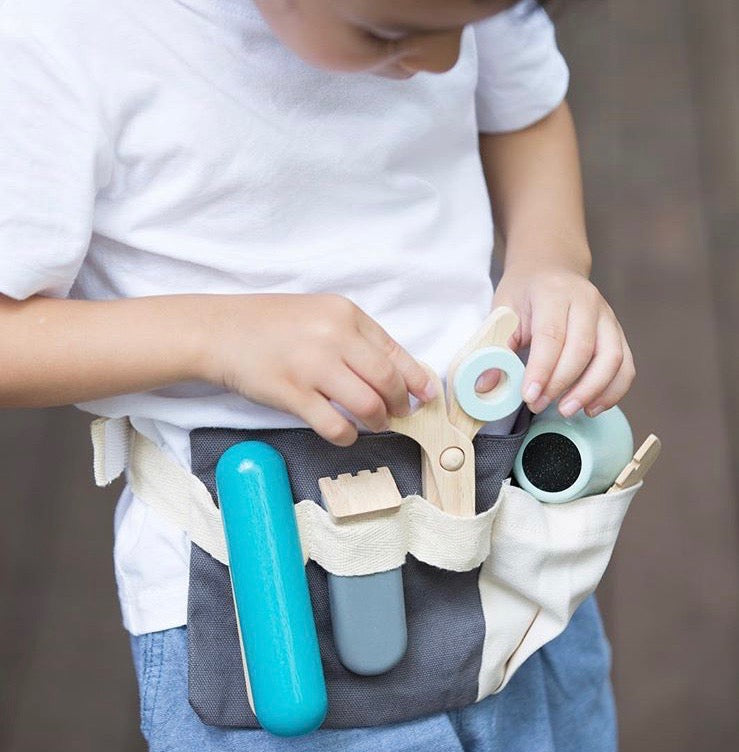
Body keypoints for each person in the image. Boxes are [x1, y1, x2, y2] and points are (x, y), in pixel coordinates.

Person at [0, 0, 636, 749]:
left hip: (509, 560)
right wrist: (217, 337)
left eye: (466, 31)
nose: (441, 63)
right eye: (390, 36)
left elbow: (525, 108)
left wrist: (549, 262)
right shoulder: (58, 37)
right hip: (268, 612)